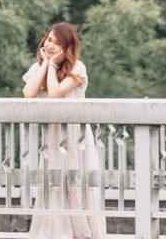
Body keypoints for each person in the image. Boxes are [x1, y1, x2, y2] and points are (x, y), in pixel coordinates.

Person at [21, 22, 107, 239]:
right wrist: (45, 64)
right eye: (48, 39)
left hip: (76, 138)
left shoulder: (77, 68)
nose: (50, 45)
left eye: (57, 43)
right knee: (53, 185)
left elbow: (55, 95)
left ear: (67, 47)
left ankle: (83, 234)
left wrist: (52, 66)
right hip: (53, 138)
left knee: (78, 184)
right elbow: (29, 93)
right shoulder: (36, 68)